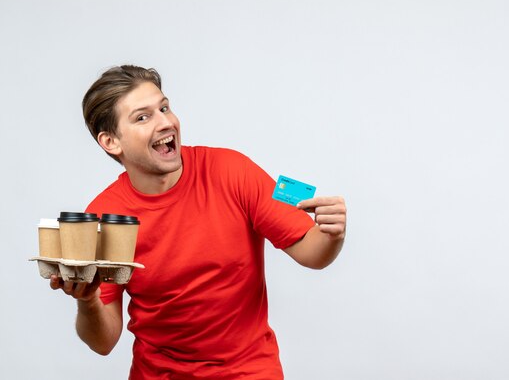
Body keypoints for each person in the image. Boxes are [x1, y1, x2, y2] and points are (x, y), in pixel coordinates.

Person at [49, 65, 347, 379]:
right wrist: (88, 301)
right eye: (143, 117)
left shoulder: (234, 171)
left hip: (249, 372)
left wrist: (332, 234)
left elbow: (312, 253)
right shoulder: (105, 217)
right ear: (111, 142)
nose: (166, 122)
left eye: (164, 107)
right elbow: (104, 342)